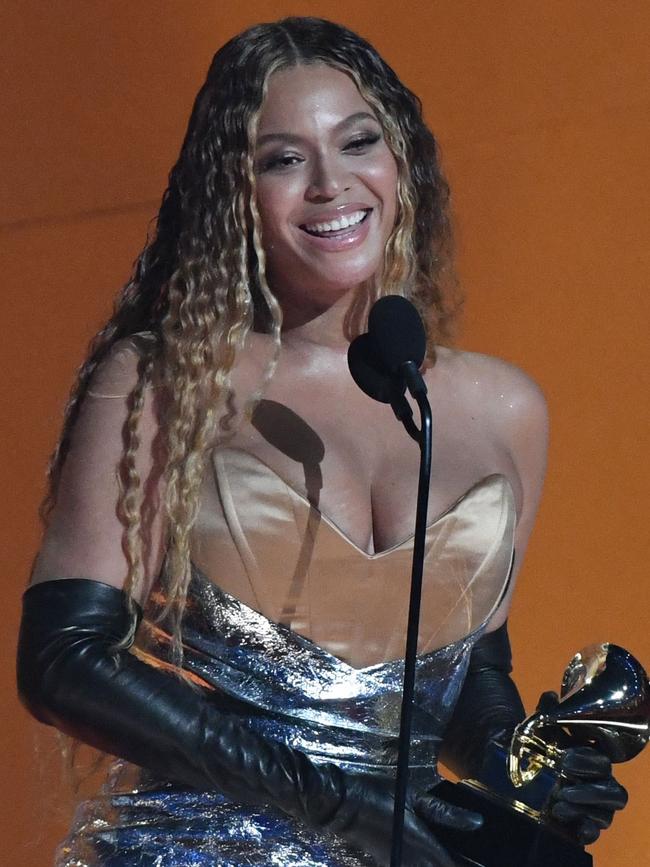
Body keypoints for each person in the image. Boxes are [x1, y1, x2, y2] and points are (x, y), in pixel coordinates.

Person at [16, 16, 627, 867]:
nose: (332, 184)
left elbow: (461, 682)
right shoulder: (166, 381)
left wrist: (522, 764)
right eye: (284, 159)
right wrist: (336, 803)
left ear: (400, 161)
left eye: (358, 142)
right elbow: (63, 660)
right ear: (236, 192)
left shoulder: (503, 408)